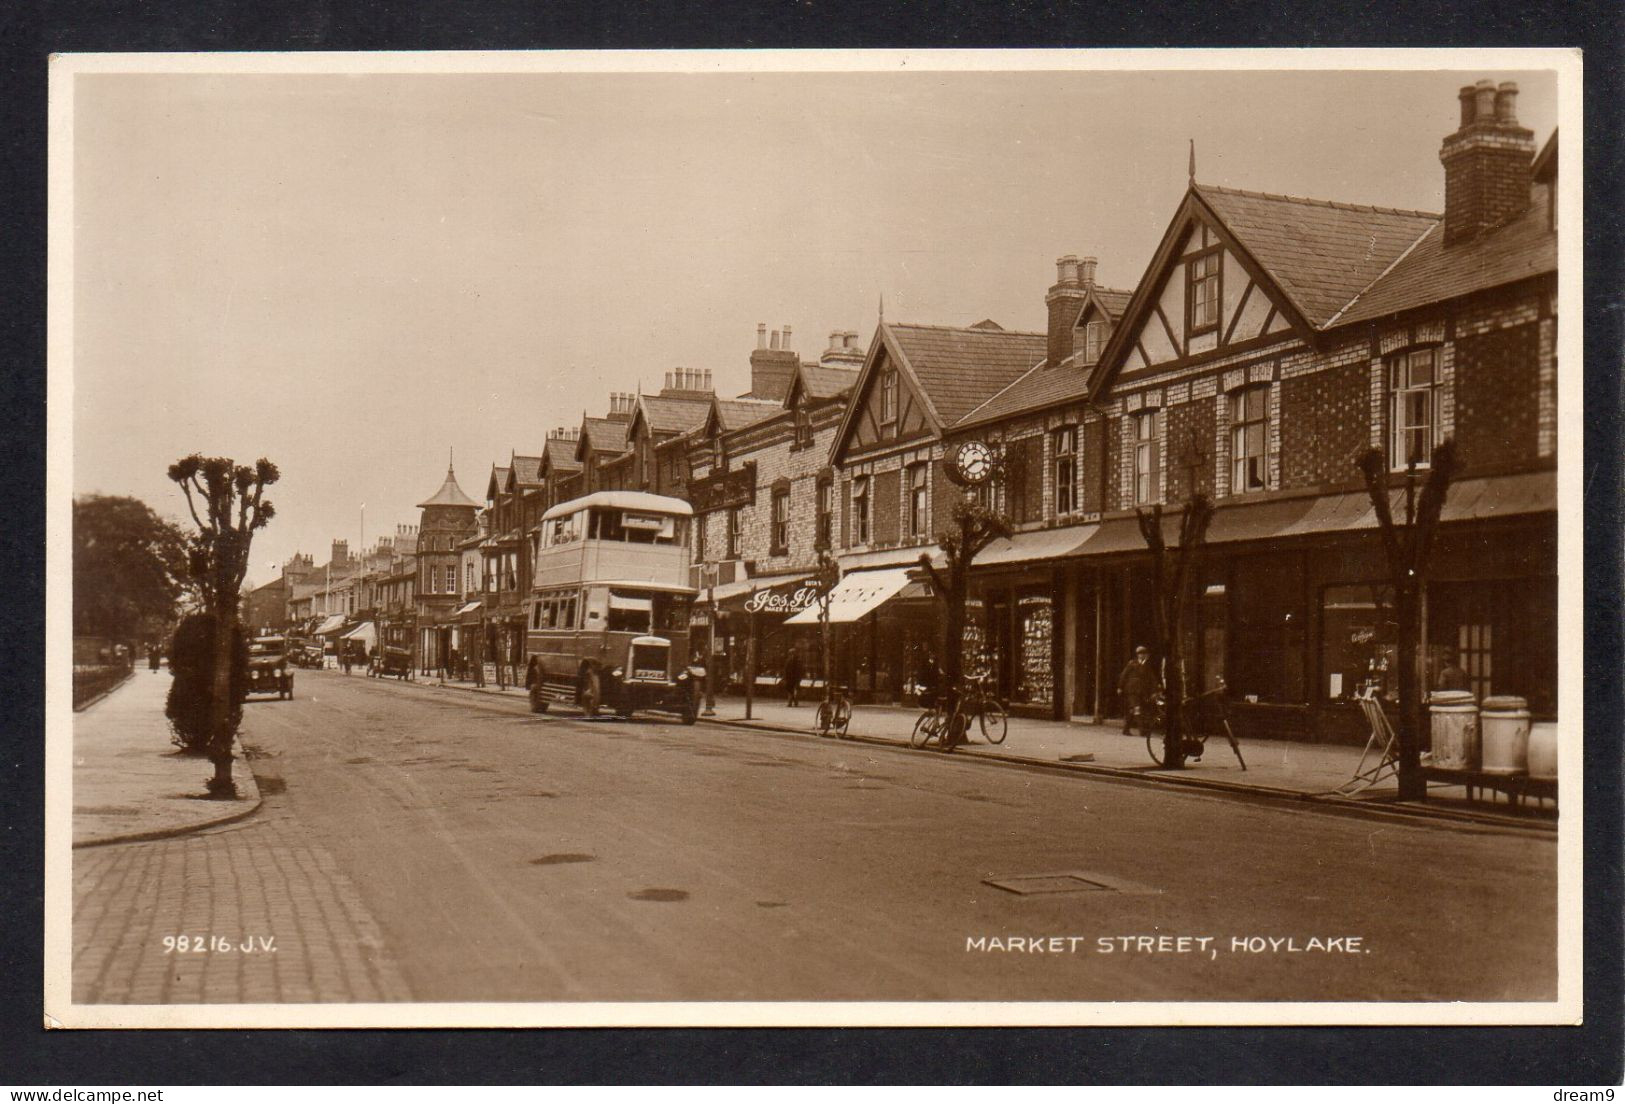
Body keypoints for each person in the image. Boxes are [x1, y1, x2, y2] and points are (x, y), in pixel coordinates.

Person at [1118, 645, 1161, 736]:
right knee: (1137, 708)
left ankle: (1126, 729)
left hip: (1142, 691)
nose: (1142, 656)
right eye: (1140, 654)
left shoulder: (1148, 666)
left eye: (1144, 654)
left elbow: (1152, 679)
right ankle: (1142, 731)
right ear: (1137, 655)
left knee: (1133, 710)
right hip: (1132, 690)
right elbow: (1123, 675)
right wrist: (1120, 687)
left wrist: (1155, 690)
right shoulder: (1132, 664)